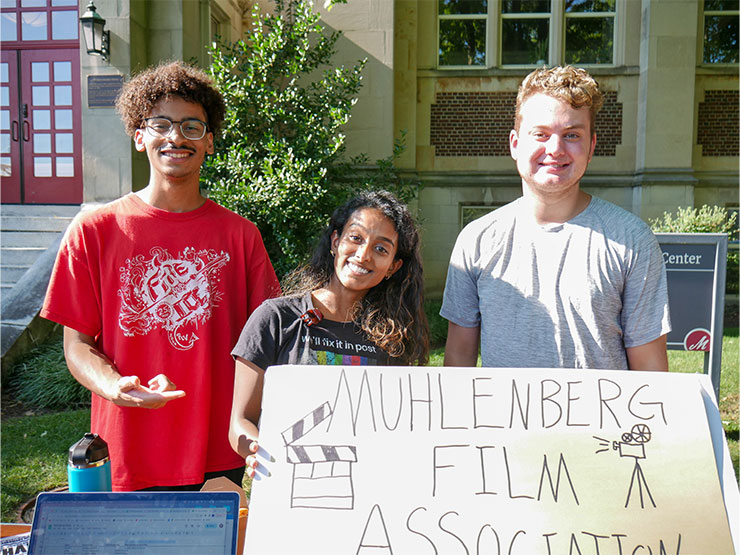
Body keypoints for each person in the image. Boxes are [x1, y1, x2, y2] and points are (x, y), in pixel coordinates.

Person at [41, 61, 281, 491]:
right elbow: (77, 347)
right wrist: (114, 385)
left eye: (192, 126)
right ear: (139, 136)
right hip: (125, 451)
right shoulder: (94, 231)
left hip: (221, 452)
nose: (175, 137)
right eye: (161, 124)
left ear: (209, 142)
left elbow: (268, 347)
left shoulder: (241, 237)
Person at [441, 65, 671, 371]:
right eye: (540, 133)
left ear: (591, 147)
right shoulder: (477, 240)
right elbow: (459, 358)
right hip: (501, 420)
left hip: (602, 420)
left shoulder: (632, 240)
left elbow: (650, 371)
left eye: (572, 135)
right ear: (515, 144)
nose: (555, 149)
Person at [229, 190, 429, 473]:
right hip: (289, 483)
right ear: (336, 241)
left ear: (393, 267)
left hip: (364, 490)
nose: (363, 255)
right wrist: (259, 451)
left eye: (381, 249)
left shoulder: (394, 340)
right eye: (355, 238)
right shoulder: (274, 318)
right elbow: (241, 422)